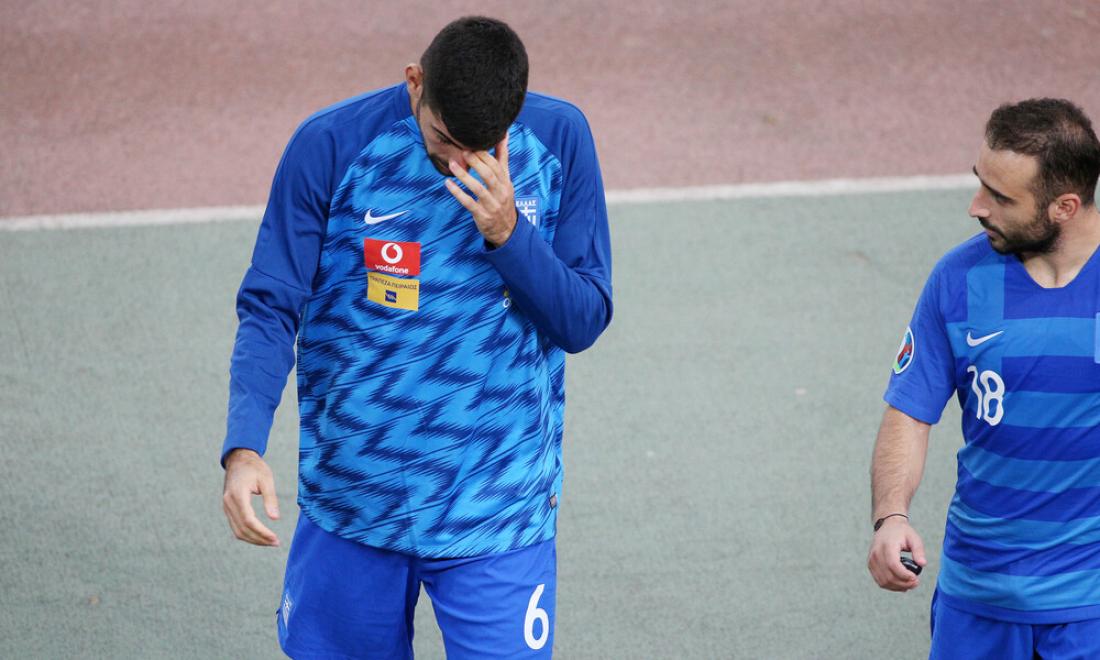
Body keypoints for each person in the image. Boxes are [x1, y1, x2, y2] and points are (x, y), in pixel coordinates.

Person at [219, 16, 612, 658]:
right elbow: (270, 306)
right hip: (355, 504)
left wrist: (510, 235)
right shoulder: (330, 146)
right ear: (414, 82)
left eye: (482, 147)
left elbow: (584, 319)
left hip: (498, 506)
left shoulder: (559, 138)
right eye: (445, 140)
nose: (460, 164)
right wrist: (244, 446)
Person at [867, 98, 1100, 658]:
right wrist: (890, 515)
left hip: (1089, 604)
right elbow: (910, 411)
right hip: (977, 594)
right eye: (980, 183)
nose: (976, 206)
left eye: (1001, 197)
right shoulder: (958, 278)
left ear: (1064, 207)